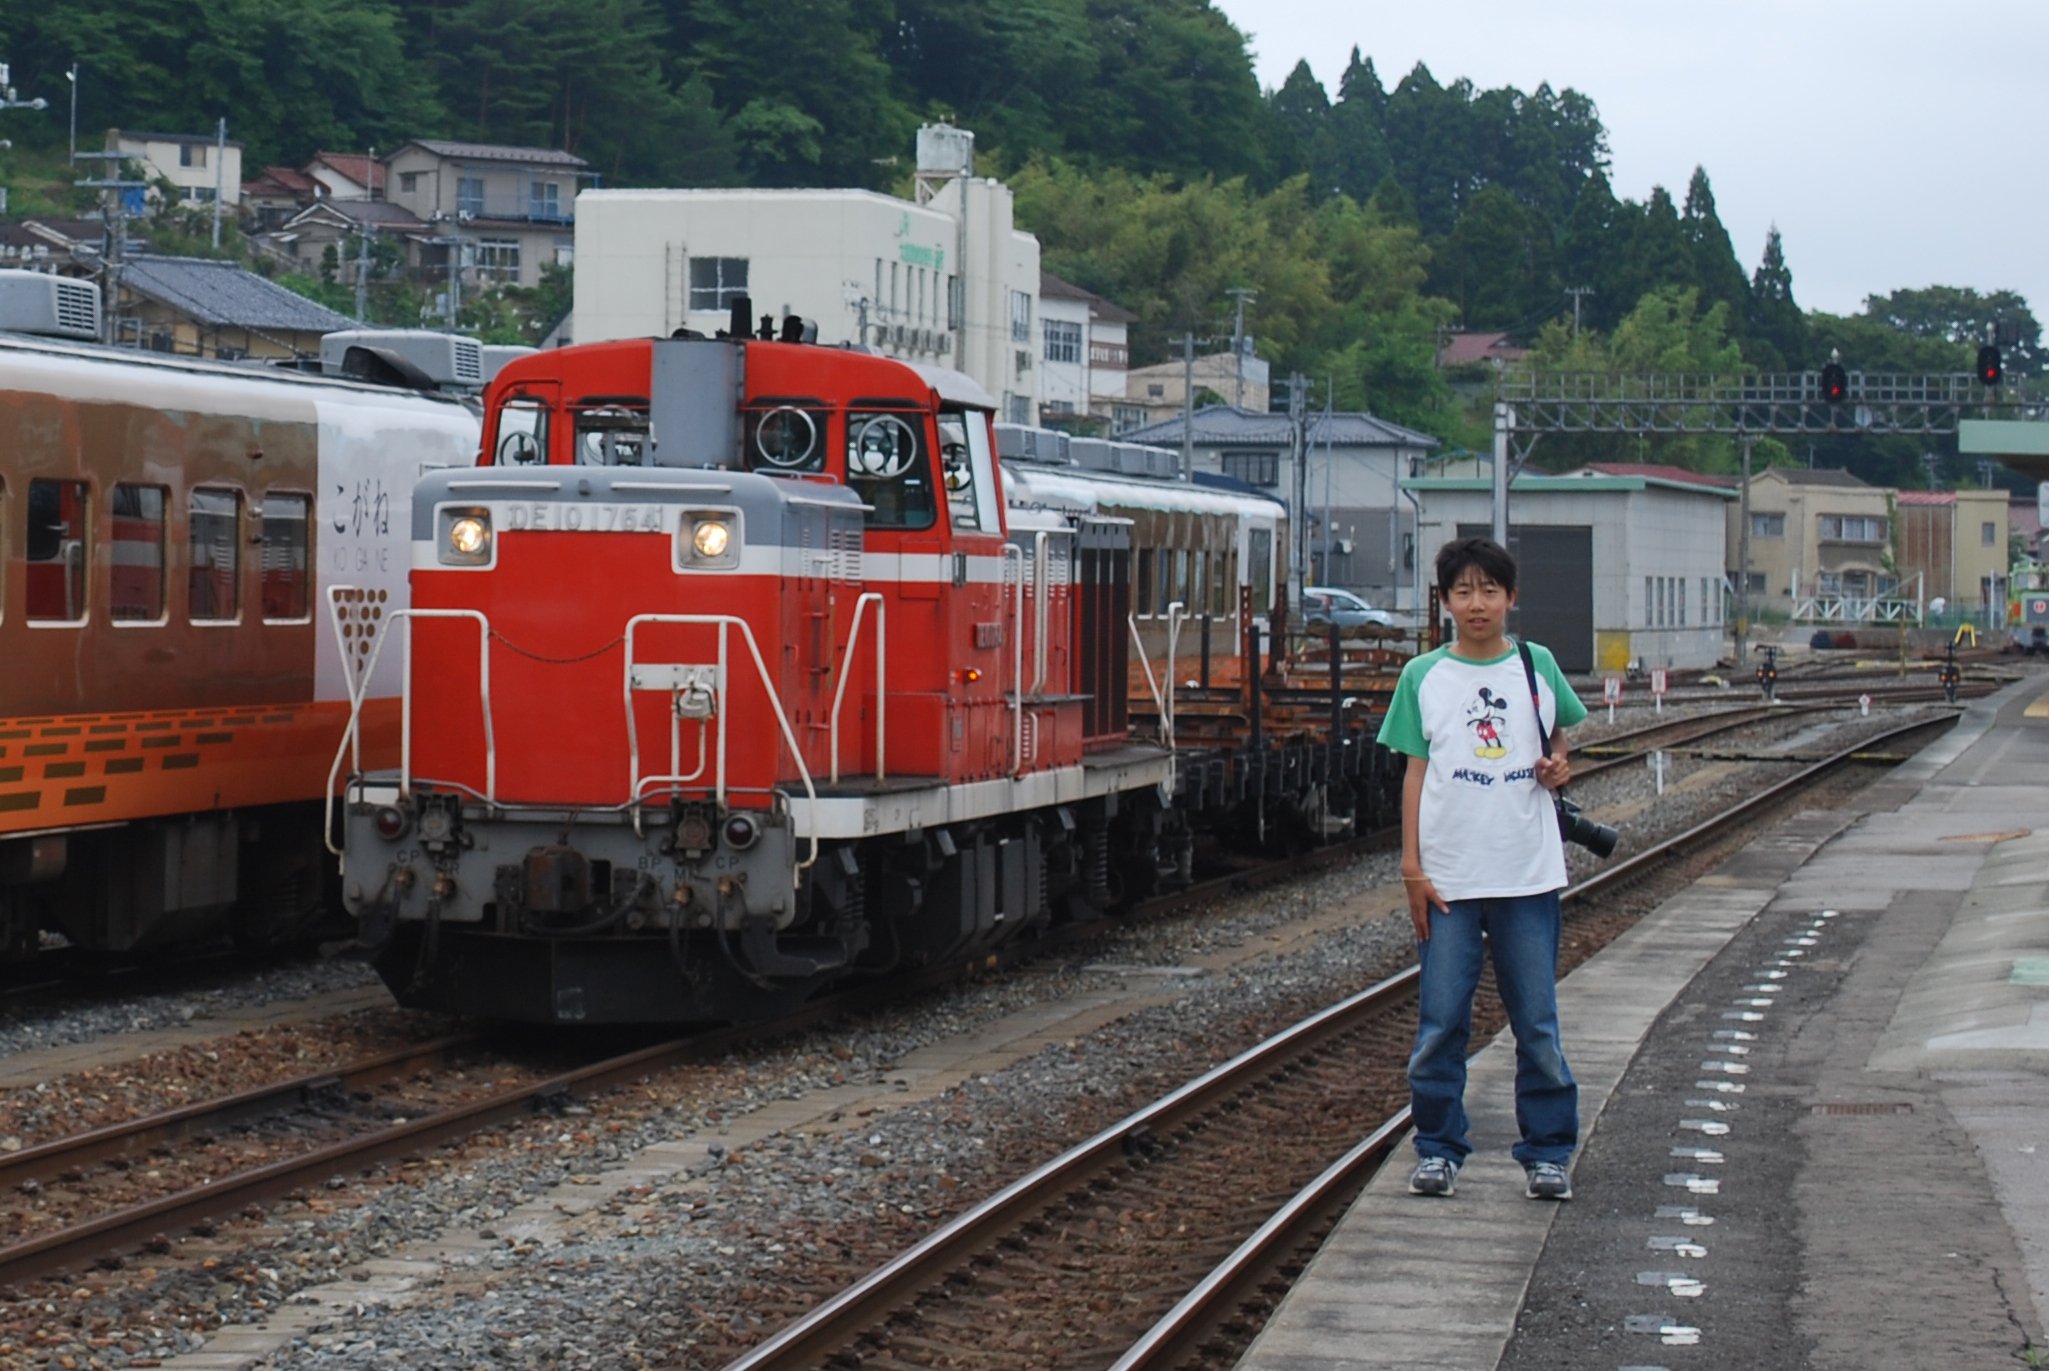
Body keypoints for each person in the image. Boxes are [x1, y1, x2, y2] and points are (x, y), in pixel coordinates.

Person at [1375, 536, 1589, 1201]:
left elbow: (1558, 738)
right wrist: (1411, 865)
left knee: (1537, 1022)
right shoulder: (1423, 676)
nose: (1476, 603)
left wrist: (1560, 762)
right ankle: (1437, 1146)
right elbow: (1414, 772)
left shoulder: (1536, 663)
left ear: (1510, 598)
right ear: (1443, 601)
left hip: (1526, 872)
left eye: (1488, 590)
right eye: (1462, 591)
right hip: (1448, 879)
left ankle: (1548, 1151)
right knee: (1440, 1020)